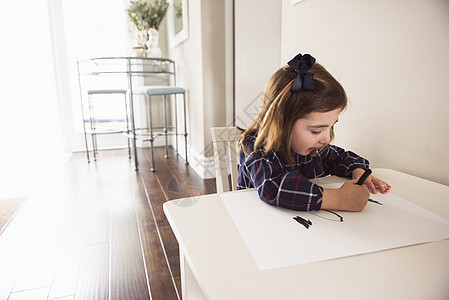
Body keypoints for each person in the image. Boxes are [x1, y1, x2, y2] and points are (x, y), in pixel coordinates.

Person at [237, 53, 391, 212]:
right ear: (281, 123)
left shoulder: (313, 149)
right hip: (252, 225)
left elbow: (340, 157)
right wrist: (338, 199)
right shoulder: (256, 149)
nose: (326, 139)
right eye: (316, 130)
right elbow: (275, 187)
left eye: (331, 127)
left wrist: (358, 170)